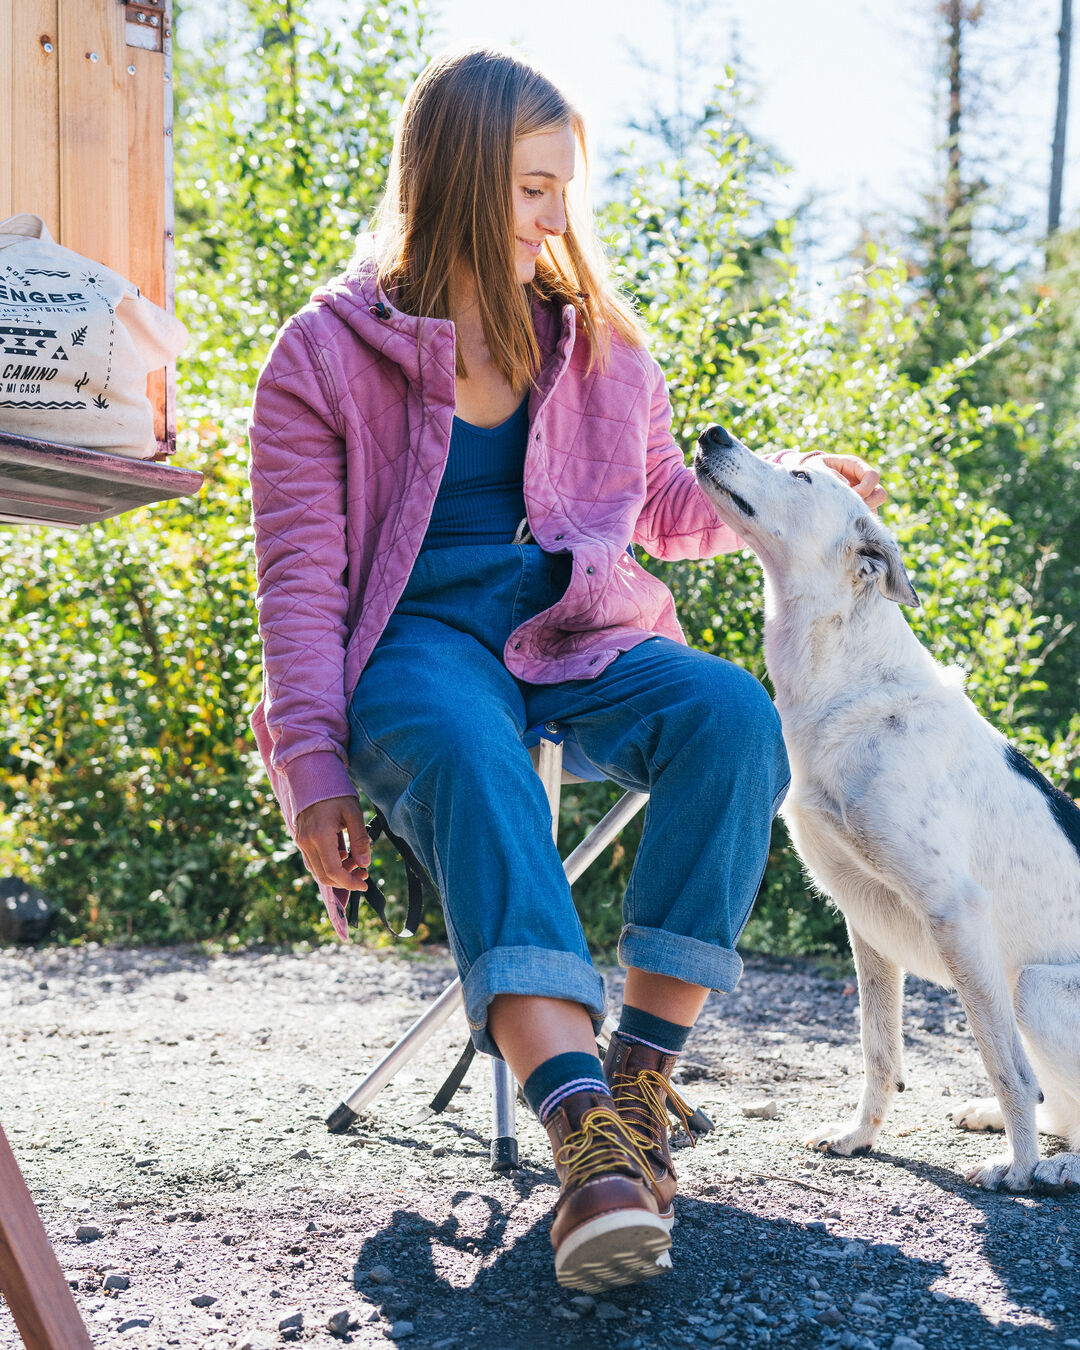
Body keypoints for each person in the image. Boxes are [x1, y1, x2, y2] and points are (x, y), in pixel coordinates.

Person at [247, 46, 886, 1294]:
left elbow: (655, 503)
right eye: (534, 188)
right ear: (459, 182)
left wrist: (792, 492)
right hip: (421, 649)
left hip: (579, 630)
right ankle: (578, 1134)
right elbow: (300, 586)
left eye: (563, 191)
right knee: (469, 753)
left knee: (727, 716)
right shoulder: (324, 355)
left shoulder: (599, 343)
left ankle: (636, 1089)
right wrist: (311, 763)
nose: (555, 219)